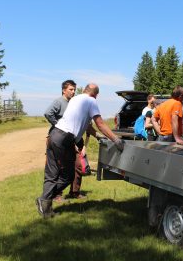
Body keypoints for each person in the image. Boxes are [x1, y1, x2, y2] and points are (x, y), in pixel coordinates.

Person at [36, 83, 124, 218]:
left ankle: (46, 210)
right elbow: (100, 123)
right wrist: (115, 139)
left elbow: (85, 124)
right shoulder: (91, 101)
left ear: (84, 90)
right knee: (68, 175)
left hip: (54, 134)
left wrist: (97, 136)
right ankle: (45, 199)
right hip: (64, 139)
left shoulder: (75, 99)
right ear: (96, 95)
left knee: (51, 173)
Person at [43, 80, 77, 202]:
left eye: (74, 90)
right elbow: (48, 113)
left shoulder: (71, 103)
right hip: (57, 138)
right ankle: (52, 196)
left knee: (63, 168)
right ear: (64, 90)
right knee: (56, 168)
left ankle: (52, 195)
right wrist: (57, 124)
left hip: (65, 139)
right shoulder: (59, 101)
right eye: (71, 89)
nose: (73, 92)